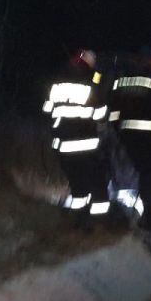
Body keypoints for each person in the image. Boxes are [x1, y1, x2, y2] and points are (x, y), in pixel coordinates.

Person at [42, 49, 114, 226]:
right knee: (97, 182)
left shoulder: (56, 86)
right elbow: (100, 114)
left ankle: (81, 221)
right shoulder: (89, 86)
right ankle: (101, 221)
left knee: (77, 185)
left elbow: (47, 110)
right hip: (86, 146)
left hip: (63, 147)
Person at [107, 51, 151, 230]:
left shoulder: (122, 83)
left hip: (129, 138)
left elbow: (113, 112)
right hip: (150, 139)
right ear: (149, 63)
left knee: (144, 174)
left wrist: (120, 133)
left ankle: (146, 216)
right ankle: (150, 220)